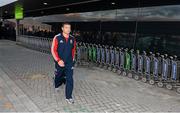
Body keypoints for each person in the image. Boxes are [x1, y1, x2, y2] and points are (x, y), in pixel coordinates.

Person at [51, 22, 76, 104]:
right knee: (59, 75)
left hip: (69, 63)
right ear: (62, 28)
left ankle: (68, 97)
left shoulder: (72, 39)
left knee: (70, 79)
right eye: (66, 27)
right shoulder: (57, 37)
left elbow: (73, 50)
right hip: (59, 62)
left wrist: (72, 60)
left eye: (69, 28)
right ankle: (56, 84)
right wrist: (58, 60)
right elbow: (53, 50)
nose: (68, 29)